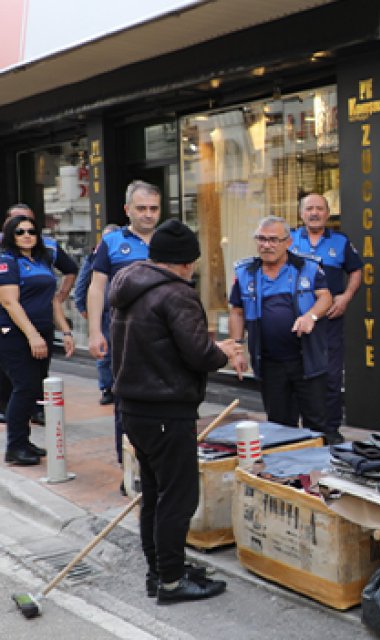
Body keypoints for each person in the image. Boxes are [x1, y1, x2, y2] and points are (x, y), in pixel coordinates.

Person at [110, 219, 239, 603]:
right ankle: (170, 580)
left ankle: (162, 570)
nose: (194, 268)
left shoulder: (130, 284)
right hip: (166, 410)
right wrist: (225, 352)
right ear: (184, 262)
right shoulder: (176, 294)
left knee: (154, 493)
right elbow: (199, 354)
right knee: (178, 498)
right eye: (193, 261)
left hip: (135, 408)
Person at [227, 217, 334, 440]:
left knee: (317, 424)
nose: (267, 245)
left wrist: (310, 316)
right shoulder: (246, 272)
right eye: (262, 239)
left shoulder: (308, 267)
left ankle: (318, 472)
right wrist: (236, 350)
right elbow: (237, 311)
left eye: (273, 240)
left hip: (306, 360)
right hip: (270, 362)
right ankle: (284, 472)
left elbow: (325, 298)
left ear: (288, 242)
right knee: (278, 426)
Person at [88, 180, 160, 464]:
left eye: (154, 208)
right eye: (141, 208)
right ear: (127, 209)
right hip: (124, 337)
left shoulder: (168, 239)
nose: (148, 214)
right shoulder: (112, 242)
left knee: (163, 401)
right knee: (127, 403)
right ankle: (129, 465)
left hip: (164, 336)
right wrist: (94, 332)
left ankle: (158, 461)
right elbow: (96, 288)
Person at [0, 215, 75, 465]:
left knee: (35, 388)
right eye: (20, 232)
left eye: (31, 231)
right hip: (15, 334)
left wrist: (65, 331)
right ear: (11, 235)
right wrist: (32, 335)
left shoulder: (42, 260)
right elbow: (9, 302)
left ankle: (24, 441)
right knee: (25, 386)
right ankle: (15, 446)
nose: (26, 235)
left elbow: (52, 300)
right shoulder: (7, 260)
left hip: (42, 332)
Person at [290, 193, 362, 435]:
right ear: (301, 214)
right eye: (309, 208)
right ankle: (302, 431)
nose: (314, 213)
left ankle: (330, 429)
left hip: (329, 322)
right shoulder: (288, 239)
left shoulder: (340, 241)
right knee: (298, 376)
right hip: (296, 322)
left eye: (319, 209)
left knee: (330, 377)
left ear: (327, 213)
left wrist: (346, 296)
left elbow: (356, 270)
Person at [74, 223, 120, 405]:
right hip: (104, 312)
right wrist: (81, 305)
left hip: (123, 311)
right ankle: (107, 388)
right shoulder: (94, 257)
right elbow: (83, 281)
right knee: (104, 353)